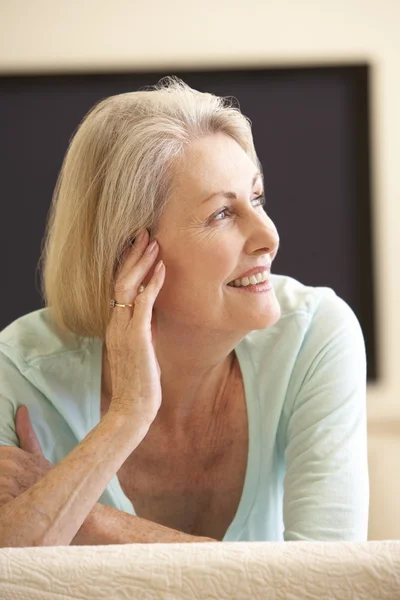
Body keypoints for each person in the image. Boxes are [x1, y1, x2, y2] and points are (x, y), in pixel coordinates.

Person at [0, 77, 369, 547]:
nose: (270, 237)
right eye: (222, 214)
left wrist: (83, 516)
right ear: (129, 253)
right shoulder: (19, 370)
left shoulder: (314, 334)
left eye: (255, 197)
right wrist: (127, 417)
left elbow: (327, 585)